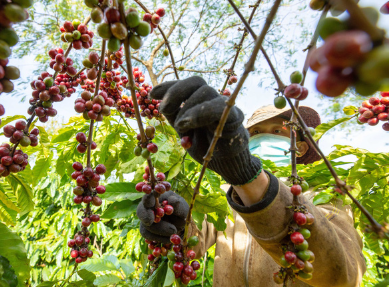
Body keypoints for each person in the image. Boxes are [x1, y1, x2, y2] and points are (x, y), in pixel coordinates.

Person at [136, 76, 366, 287]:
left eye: (277, 130)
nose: (264, 137)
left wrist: (249, 178)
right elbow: (192, 247)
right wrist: (177, 226)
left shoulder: (325, 191)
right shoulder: (229, 195)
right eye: (255, 132)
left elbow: (343, 273)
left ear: (301, 147)